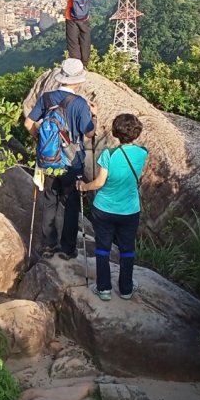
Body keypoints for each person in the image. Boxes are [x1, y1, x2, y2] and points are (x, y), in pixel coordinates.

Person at [23, 58, 96, 261]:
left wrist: (41, 141)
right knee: (71, 204)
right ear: (78, 80)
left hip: (48, 160)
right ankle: (67, 248)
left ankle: (48, 245)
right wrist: (94, 116)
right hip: (72, 162)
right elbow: (89, 133)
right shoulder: (80, 103)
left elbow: (28, 123)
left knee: (49, 201)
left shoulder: (46, 98)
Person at [77, 113, 148, 301]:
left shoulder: (108, 154)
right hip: (130, 210)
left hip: (104, 209)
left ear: (116, 132)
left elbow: (99, 183)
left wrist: (84, 186)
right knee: (127, 249)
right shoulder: (143, 153)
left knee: (103, 248)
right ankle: (126, 289)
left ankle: (104, 289)